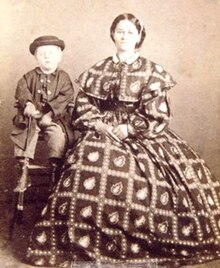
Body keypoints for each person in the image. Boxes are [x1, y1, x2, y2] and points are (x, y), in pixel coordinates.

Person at [26, 14, 220, 267]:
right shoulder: (99, 69)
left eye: (130, 32)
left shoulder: (152, 71)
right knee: (87, 167)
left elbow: (158, 113)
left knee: (154, 180)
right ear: (112, 35)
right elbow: (84, 105)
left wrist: (129, 128)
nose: (124, 36)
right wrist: (99, 124)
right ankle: (82, 242)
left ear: (139, 37)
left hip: (141, 134)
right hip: (102, 131)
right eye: (120, 31)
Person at [11, 35, 75, 190]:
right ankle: (23, 169)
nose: (47, 57)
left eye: (51, 53)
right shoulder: (29, 76)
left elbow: (67, 95)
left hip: (55, 118)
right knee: (24, 131)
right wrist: (28, 104)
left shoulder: (63, 77)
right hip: (31, 118)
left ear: (59, 56)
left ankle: (55, 169)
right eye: (42, 54)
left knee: (58, 135)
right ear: (35, 57)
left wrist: (50, 114)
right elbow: (22, 90)